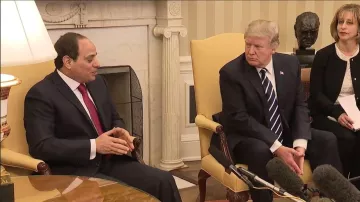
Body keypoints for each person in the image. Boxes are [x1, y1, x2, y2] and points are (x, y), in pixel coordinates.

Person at [24, 32, 182, 202]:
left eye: (96, 58)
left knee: (164, 180)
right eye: (90, 60)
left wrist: (120, 131)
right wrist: (94, 146)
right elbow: (41, 146)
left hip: (110, 162)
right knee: (122, 195)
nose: (98, 64)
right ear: (68, 62)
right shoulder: (41, 94)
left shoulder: (98, 83)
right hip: (75, 170)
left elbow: (115, 118)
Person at [217, 19, 343, 202]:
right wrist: (276, 146)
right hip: (248, 138)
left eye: (258, 46)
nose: (250, 51)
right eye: (248, 44)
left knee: (327, 139)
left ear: (273, 47)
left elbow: (300, 105)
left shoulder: (290, 64)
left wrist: (300, 144)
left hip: (284, 131)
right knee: (261, 150)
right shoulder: (231, 73)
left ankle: (332, 198)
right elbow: (239, 118)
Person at [309, 3, 360, 190]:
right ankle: (341, 188)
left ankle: (355, 190)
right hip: (326, 113)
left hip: (355, 115)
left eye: (349, 23)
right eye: (340, 22)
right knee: (348, 138)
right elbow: (316, 94)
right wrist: (337, 113)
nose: (343, 27)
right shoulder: (324, 55)